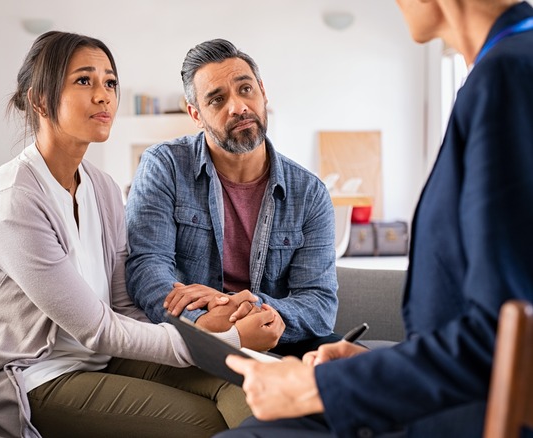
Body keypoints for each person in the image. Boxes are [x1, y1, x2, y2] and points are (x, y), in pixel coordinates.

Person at [220, 1, 533, 437]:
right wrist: (370, 365)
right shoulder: (507, 66)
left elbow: (507, 340)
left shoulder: (507, 76)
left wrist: (319, 388)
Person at [0, 31, 270, 438]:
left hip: (103, 358)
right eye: (84, 81)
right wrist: (220, 337)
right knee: (204, 422)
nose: (103, 96)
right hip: (36, 379)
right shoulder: (13, 201)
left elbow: (124, 306)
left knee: (248, 383)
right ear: (38, 99)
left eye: (110, 83)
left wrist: (203, 329)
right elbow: (97, 328)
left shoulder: (102, 187)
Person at [125, 39, 341, 358]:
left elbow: (319, 302)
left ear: (262, 92)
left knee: (363, 371)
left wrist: (251, 310)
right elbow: (147, 267)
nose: (238, 107)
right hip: (198, 337)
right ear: (195, 114)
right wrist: (207, 324)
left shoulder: (309, 193)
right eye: (217, 99)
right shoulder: (164, 165)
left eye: (245, 89)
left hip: (278, 336)